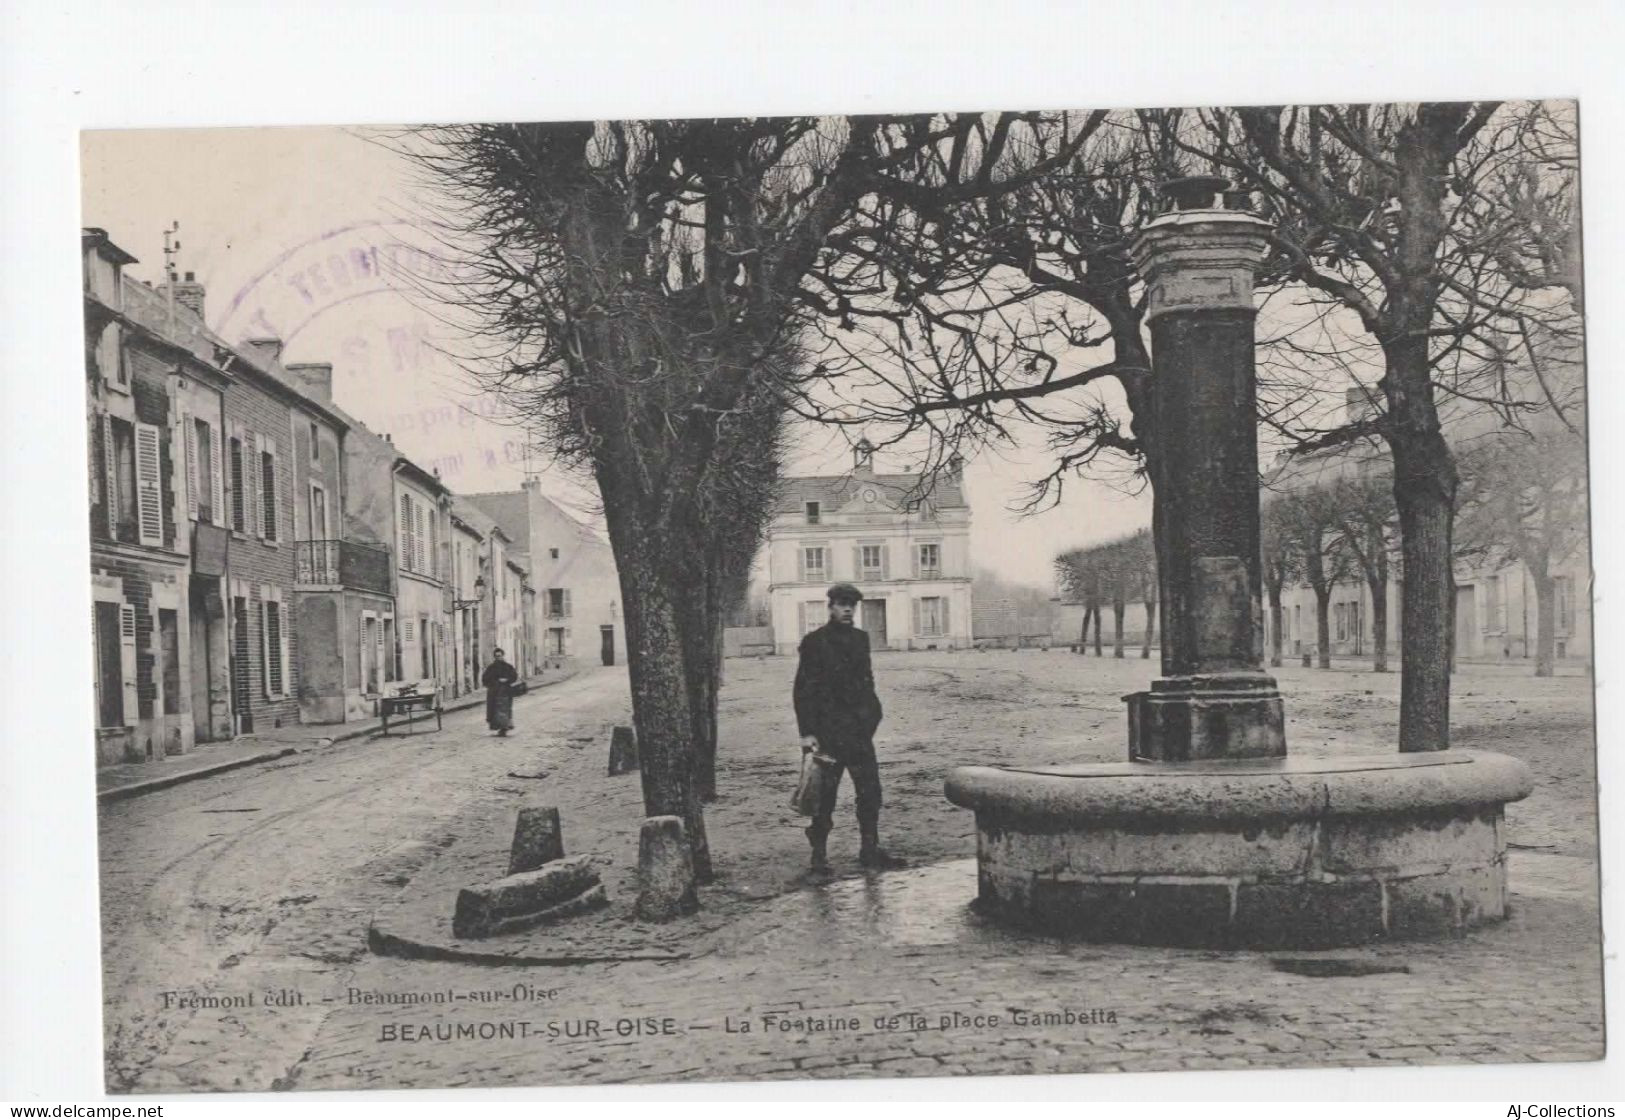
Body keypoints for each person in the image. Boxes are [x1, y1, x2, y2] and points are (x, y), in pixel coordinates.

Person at [792, 583, 907, 873]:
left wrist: (872, 717)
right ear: (829, 607)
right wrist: (807, 734)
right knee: (824, 797)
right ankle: (818, 857)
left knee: (870, 793)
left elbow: (867, 684)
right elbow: (802, 691)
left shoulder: (860, 639)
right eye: (842, 604)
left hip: (858, 734)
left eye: (851, 605)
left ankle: (870, 850)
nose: (847, 609)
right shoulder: (814, 642)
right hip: (828, 735)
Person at [482, 648, 518, 736]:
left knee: (505, 711)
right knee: (495, 711)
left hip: (506, 692)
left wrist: (507, 680)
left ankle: (504, 728)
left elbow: (514, 676)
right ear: (494, 657)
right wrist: (496, 682)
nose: (499, 658)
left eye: (500, 656)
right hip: (494, 693)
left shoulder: (508, 667)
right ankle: (499, 727)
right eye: (497, 656)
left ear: (503, 656)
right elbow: (485, 680)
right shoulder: (491, 668)